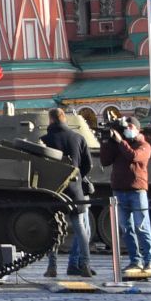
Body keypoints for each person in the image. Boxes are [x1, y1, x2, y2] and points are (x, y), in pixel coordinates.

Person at [97, 116, 151, 277]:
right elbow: (105, 161)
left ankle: (150, 260)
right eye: (126, 127)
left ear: (137, 129)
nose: (128, 129)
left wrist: (121, 141)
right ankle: (135, 260)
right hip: (119, 190)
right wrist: (107, 142)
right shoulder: (119, 145)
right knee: (126, 229)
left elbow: (133, 157)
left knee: (141, 226)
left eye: (130, 127)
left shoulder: (144, 145)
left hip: (137, 190)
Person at [41, 108, 94, 275]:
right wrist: (77, 177)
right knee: (80, 227)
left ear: (50, 120)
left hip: (52, 189)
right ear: (64, 119)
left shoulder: (44, 139)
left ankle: (52, 267)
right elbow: (88, 164)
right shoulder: (78, 138)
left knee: (52, 228)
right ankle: (84, 264)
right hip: (74, 188)